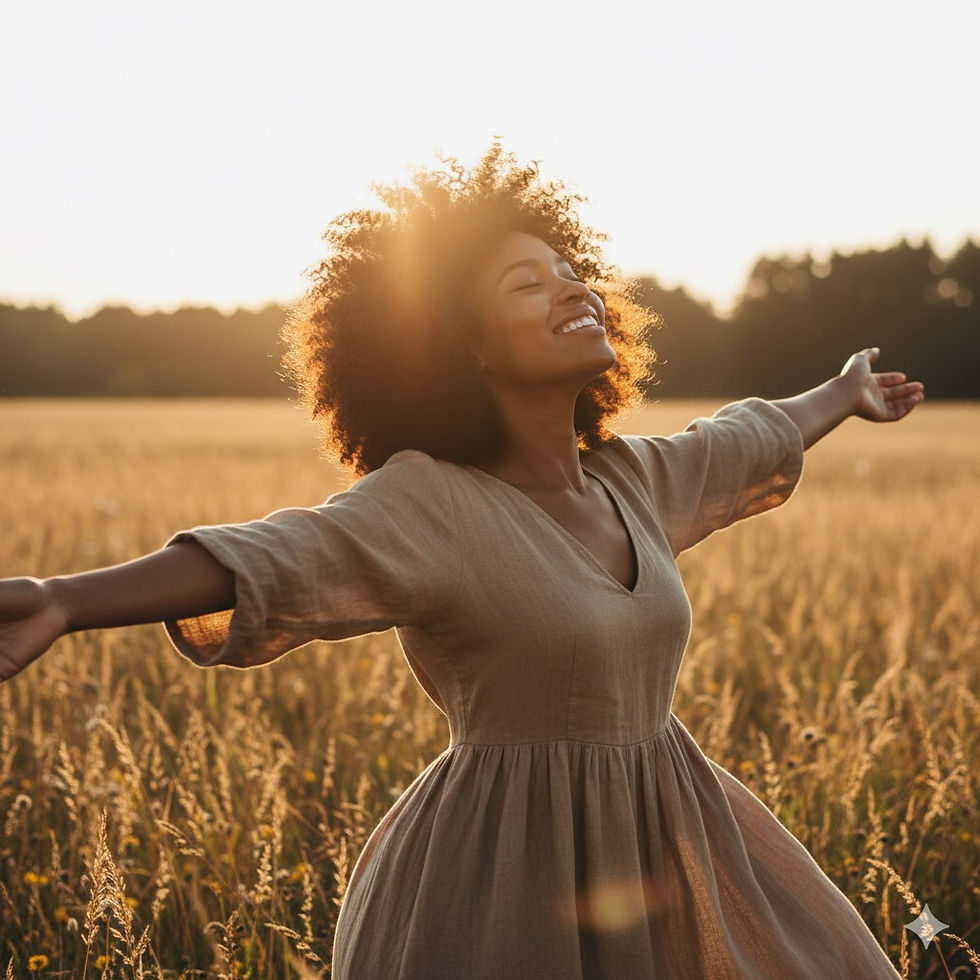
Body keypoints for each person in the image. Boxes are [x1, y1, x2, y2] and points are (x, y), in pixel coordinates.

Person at [0, 145, 923, 978]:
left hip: (668, 839)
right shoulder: (430, 504)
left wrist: (842, 393)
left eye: (572, 273)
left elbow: (742, 438)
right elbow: (273, 555)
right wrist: (62, 599)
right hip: (503, 879)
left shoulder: (635, 478)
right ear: (464, 344)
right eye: (528, 285)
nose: (575, 291)